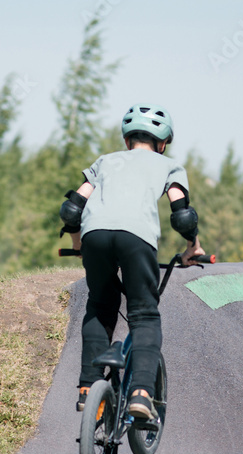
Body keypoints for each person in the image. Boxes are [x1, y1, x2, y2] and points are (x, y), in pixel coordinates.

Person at [59, 103, 207, 420]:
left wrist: (78, 243)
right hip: (137, 237)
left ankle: (88, 388)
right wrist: (192, 247)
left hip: (94, 234)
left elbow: (73, 208)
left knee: (100, 305)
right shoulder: (169, 166)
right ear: (162, 144)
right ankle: (141, 392)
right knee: (144, 314)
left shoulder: (105, 161)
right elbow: (182, 214)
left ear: (127, 141)